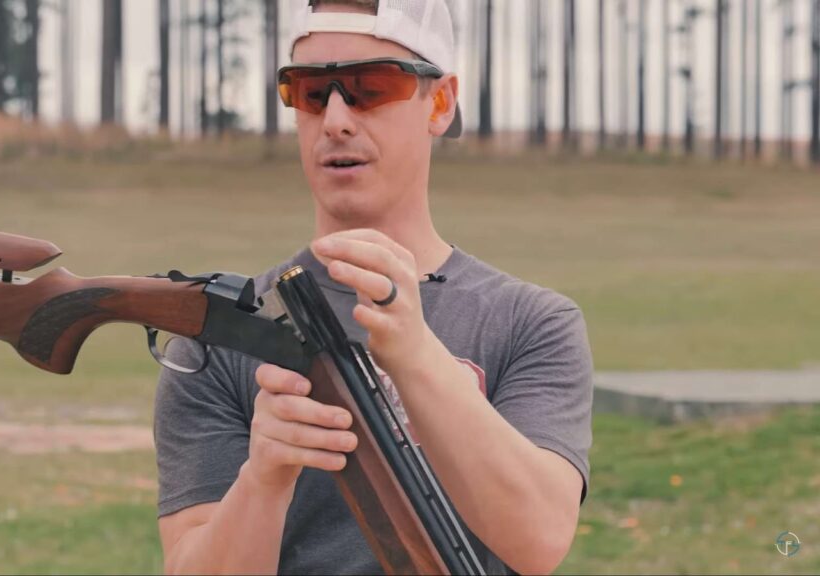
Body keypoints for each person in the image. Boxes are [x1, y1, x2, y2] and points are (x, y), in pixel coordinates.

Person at [154, 0, 593, 574]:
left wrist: (415, 354)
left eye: (370, 86)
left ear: (439, 103)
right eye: (311, 91)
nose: (335, 119)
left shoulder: (530, 322)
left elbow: (538, 541)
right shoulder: (220, 340)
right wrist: (264, 477)